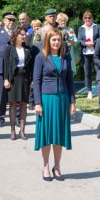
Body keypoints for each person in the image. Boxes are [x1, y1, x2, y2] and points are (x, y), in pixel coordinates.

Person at [33, 29, 76, 181]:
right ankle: (45, 166)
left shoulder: (66, 57)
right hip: (47, 100)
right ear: (48, 41)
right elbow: (36, 81)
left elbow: (70, 81)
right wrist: (37, 103)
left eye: (58, 40)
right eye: (53, 40)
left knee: (59, 134)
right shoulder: (41, 57)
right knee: (47, 134)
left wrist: (72, 102)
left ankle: (57, 166)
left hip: (62, 99)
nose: (56, 42)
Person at [4, 27, 33, 140]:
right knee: (13, 104)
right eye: (21, 34)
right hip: (13, 79)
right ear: (16, 36)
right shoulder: (9, 48)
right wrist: (6, 79)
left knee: (23, 105)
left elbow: (30, 66)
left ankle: (22, 131)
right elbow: (5, 65)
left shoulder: (27, 49)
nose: (23, 36)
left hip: (24, 79)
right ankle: (12, 130)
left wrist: (32, 80)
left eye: (24, 34)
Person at [0, 12, 16, 126]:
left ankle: (16, 116)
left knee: (15, 93)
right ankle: (0, 116)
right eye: (9, 19)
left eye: (13, 20)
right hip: (1, 67)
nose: (11, 22)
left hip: (15, 67)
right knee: (1, 94)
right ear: (4, 20)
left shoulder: (17, 32)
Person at [77, 11, 100, 100]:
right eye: (86, 18)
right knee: (87, 73)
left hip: (96, 52)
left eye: (89, 18)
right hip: (85, 53)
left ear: (92, 18)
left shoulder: (97, 27)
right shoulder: (81, 28)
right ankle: (89, 91)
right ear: (83, 19)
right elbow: (79, 40)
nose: (87, 19)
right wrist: (85, 43)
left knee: (98, 71)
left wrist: (93, 43)